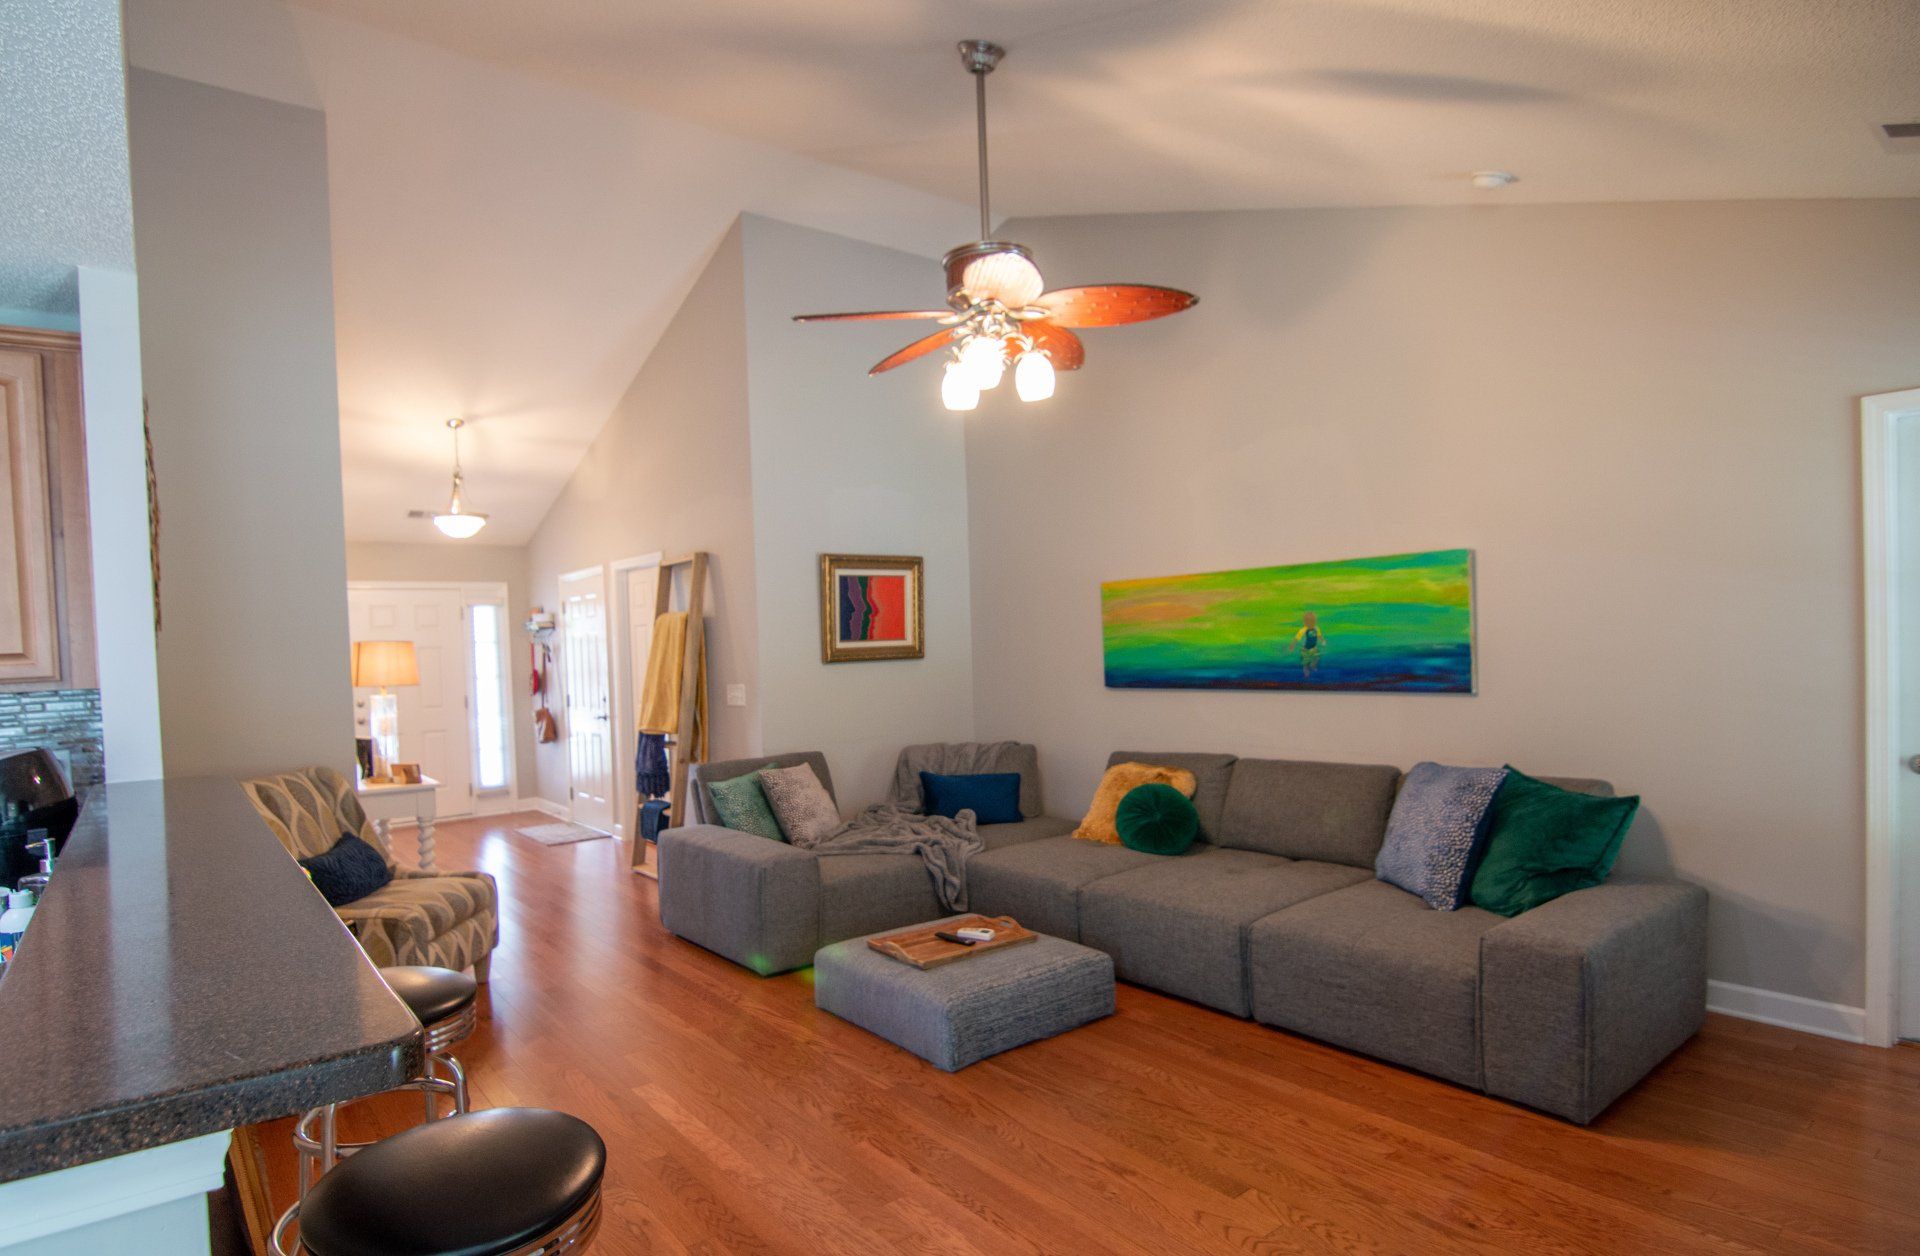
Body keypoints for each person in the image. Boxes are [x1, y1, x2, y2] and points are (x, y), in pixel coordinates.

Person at [1285, 610, 1325, 679]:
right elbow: (1296, 638)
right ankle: (1306, 674)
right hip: (1305, 650)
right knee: (1305, 663)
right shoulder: (1303, 630)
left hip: (1314, 648)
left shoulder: (1316, 628)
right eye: (1309, 622)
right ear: (1305, 623)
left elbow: (1319, 635)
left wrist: (1322, 640)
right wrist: (1292, 645)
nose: (1311, 624)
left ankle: (1313, 665)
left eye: (1313, 622)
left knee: (1317, 657)